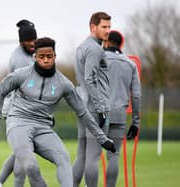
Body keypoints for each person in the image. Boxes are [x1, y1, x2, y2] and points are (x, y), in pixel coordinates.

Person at [0, 37, 116, 187]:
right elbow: (0, 90)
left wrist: (102, 138)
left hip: (43, 127)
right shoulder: (21, 75)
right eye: (42, 57)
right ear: (35, 57)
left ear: (55, 56)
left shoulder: (64, 84)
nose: (46, 60)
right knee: (31, 166)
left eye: (49, 56)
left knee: (63, 158)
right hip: (18, 123)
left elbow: (82, 112)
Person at [0, 19, 37, 187]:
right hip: (16, 111)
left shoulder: (28, 54)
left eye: (34, 40)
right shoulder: (21, 60)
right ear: (21, 41)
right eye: (29, 41)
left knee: (20, 152)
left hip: (24, 110)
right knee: (23, 155)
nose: (33, 44)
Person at [72, 11, 111, 187]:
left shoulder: (81, 47)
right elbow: (90, 79)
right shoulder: (95, 48)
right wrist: (101, 108)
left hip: (81, 104)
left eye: (109, 27)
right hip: (94, 108)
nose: (108, 30)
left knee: (82, 154)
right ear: (93, 27)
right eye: (104, 27)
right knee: (93, 156)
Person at [103, 30, 141, 187]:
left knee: (90, 155)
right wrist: (136, 122)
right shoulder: (130, 64)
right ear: (121, 44)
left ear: (106, 42)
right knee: (114, 155)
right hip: (119, 114)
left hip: (98, 114)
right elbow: (137, 96)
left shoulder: (98, 59)